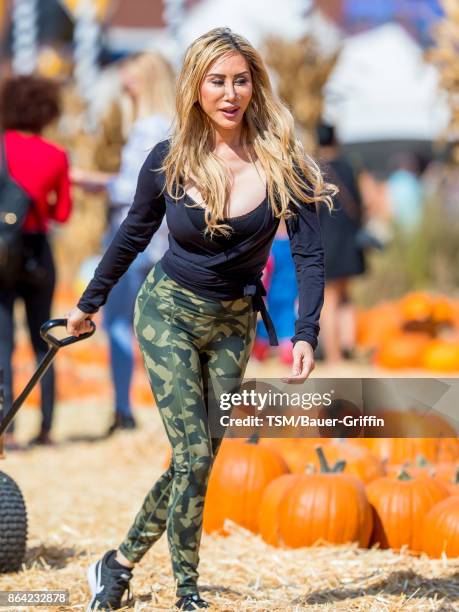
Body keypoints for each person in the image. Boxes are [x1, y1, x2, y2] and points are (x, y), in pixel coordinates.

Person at [66, 28, 334, 611]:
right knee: (192, 455)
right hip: (168, 312)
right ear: (195, 88)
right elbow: (132, 235)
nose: (230, 93)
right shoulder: (169, 160)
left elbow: (310, 254)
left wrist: (305, 332)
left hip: (235, 322)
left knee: (201, 456)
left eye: (241, 80)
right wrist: (89, 304)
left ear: (255, 85)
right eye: (218, 81)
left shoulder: (285, 162)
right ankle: (188, 593)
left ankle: (116, 564)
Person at [72, 52, 174, 434]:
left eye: (129, 80)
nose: (124, 87)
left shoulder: (147, 128)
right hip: (163, 241)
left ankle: (122, 408)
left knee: (118, 323)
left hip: (134, 239)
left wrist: (88, 180)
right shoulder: (171, 127)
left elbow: (135, 190)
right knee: (159, 326)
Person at [0, 75, 72, 449]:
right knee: (44, 339)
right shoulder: (56, 155)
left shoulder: (1, 148)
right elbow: (62, 214)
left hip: (2, 252)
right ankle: (46, 428)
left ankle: (5, 429)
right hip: (38, 253)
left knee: (2, 343)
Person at [316, 122, 365, 364]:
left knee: (330, 300)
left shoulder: (316, 170)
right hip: (349, 241)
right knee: (345, 296)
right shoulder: (348, 167)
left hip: (327, 243)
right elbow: (361, 204)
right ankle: (348, 347)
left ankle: (334, 356)